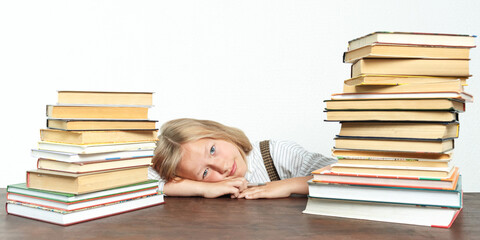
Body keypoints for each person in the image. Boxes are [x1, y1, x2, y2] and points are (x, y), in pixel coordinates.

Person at [148, 118, 336, 199]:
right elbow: (139, 183)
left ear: (218, 132)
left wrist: (288, 185)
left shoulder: (274, 153)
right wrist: (203, 188)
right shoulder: (204, 185)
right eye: (205, 172)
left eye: (212, 150)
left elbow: (348, 174)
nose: (221, 166)